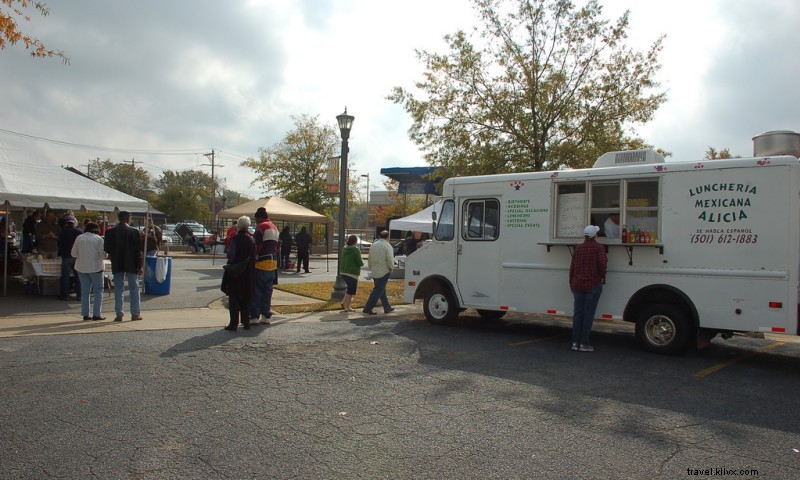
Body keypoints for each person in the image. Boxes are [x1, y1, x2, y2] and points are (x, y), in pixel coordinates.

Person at [569, 225, 608, 352]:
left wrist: (571, 283)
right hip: (592, 284)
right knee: (588, 314)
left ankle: (575, 342)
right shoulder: (599, 248)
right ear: (594, 235)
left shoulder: (578, 248)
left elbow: (572, 268)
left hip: (577, 284)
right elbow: (602, 264)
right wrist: (602, 276)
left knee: (578, 313)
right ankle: (584, 343)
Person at [104, 211, 144, 322]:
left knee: (118, 289)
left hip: (117, 262)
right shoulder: (134, 231)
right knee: (134, 288)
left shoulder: (110, 232)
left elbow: (106, 248)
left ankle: (119, 314)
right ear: (127, 218)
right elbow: (137, 251)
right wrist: (139, 265)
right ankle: (135, 313)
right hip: (131, 263)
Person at [222, 216, 256, 331]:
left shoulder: (235, 239)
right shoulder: (252, 239)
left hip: (236, 273)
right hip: (249, 272)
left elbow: (231, 256)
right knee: (246, 299)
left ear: (238, 226)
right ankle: (246, 322)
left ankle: (233, 323)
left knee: (234, 299)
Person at [249, 207, 279, 325]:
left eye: (256, 219)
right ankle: (266, 316)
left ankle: (254, 316)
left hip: (261, 262)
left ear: (259, 217)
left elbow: (256, 245)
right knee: (267, 291)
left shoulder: (261, 227)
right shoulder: (275, 227)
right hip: (273, 263)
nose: (255, 222)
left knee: (256, 290)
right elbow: (277, 247)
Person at [71, 222, 106, 321]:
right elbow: (103, 254)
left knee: (85, 291)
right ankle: (96, 314)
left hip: (81, 267)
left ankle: (85, 314)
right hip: (96, 268)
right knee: (98, 291)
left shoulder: (79, 238)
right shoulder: (98, 239)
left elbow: (73, 253)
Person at [362, 230, 395, 315]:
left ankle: (387, 307)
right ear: (388, 237)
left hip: (375, 271)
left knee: (381, 289)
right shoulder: (387, 246)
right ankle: (368, 308)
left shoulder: (373, 245)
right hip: (384, 271)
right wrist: (391, 268)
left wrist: (370, 267)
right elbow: (390, 260)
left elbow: (369, 257)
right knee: (378, 290)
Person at [57, 215, 83, 300]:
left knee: (65, 276)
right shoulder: (80, 232)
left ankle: (65, 295)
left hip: (66, 256)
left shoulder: (62, 232)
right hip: (77, 256)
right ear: (74, 223)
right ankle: (79, 295)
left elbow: (59, 244)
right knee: (78, 276)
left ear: (67, 223)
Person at [340, 234, 364, 312]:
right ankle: (347, 306)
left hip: (344, 271)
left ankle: (344, 303)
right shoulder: (355, 250)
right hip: (352, 273)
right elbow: (359, 261)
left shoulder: (344, 249)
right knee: (351, 290)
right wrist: (362, 263)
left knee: (348, 289)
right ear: (356, 241)